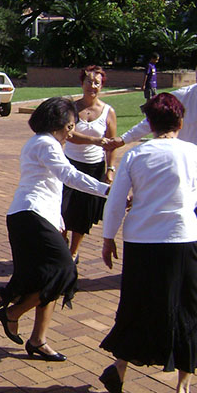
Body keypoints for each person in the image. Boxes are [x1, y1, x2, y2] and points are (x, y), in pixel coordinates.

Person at [99, 92, 197, 393]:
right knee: (187, 307)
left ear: (150, 123)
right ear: (180, 122)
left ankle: (119, 368)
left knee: (136, 304)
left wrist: (108, 237)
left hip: (141, 240)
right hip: (180, 238)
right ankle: (183, 388)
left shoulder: (136, 154)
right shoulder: (194, 153)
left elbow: (116, 200)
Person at [0, 97, 110, 362]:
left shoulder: (43, 143)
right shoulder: (46, 143)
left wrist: (58, 222)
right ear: (57, 123)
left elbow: (51, 187)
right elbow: (68, 176)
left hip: (36, 217)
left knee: (48, 278)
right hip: (30, 216)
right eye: (70, 126)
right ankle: (12, 313)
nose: (72, 132)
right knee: (65, 271)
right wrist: (108, 191)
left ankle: (38, 340)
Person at [107, 56, 197, 246]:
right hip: (177, 169)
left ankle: (189, 256)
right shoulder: (183, 97)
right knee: (172, 217)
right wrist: (124, 139)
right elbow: (151, 120)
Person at [61, 65, 117, 262]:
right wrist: (94, 140)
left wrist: (110, 169)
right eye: (89, 82)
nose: (92, 86)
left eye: (97, 83)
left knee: (83, 214)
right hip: (70, 165)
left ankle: (73, 252)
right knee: (63, 210)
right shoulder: (72, 108)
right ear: (82, 83)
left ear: (102, 86)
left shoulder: (108, 111)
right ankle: (62, 243)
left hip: (94, 168)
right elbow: (69, 134)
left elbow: (111, 144)